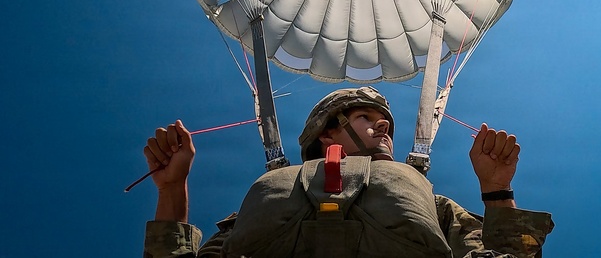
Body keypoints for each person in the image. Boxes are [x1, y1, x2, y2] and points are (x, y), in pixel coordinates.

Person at [142, 87, 554, 257]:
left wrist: (497, 190)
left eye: (386, 122)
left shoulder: (433, 203)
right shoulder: (263, 202)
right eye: (365, 117)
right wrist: (172, 188)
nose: (384, 126)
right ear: (329, 132)